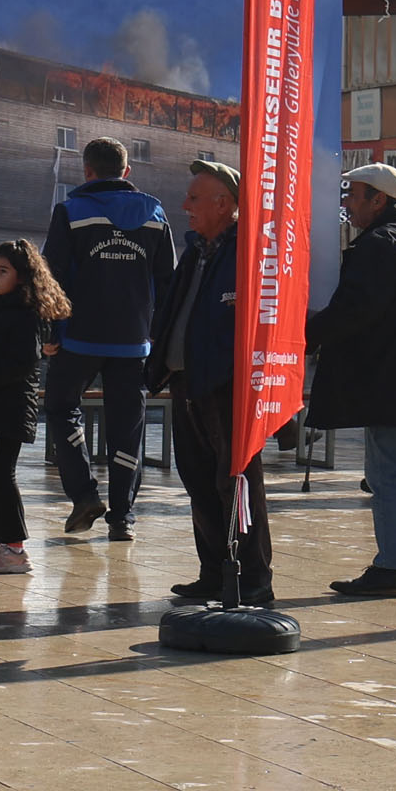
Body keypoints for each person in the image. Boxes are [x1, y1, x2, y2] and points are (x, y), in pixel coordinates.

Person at [42, 138, 177, 542]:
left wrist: (50, 332)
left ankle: (84, 494)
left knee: (61, 407)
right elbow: (167, 281)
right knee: (127, 428)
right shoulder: (155, 214)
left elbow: (51, 278)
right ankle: (122, 518)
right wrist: (157, 336)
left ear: (86, 171)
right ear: (126, 172)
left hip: (78, 338)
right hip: (134, 342)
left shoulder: (70, 211)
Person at [150, 161, 268, 605]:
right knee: (198, 480)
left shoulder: (248, 251)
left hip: (226, 386)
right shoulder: (198, 250)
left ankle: (253, 580)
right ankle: (214, 573)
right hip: (186, 382)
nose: (185, 206)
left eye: (195, 198)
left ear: (225, 204)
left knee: (236, 484)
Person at [309, 163, 396, 598]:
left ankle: (392, 567)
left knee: (388, 474)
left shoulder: (381, 242)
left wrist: (305, 334)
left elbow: (357, 309)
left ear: (379, 200)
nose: (347, 204)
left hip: (393, 378)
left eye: (354, 196)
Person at [0, 240, 70, 575]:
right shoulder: (4, 308)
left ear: (22, 277)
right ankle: (6, 544)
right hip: (1, 405)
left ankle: (13, 547)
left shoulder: (23, 313)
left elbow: (21, 363)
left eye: (3, 271)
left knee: (2, 475)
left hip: (12, 407)